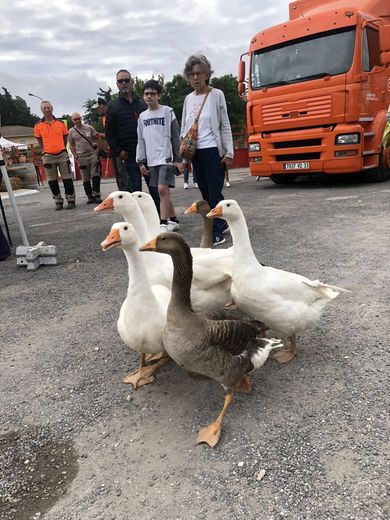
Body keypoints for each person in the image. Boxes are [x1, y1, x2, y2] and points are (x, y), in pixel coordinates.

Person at [181, 54, 233, 245]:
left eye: (200, 73)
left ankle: (216, 230)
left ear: (207, 74)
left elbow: (225, 125)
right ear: (188, 76)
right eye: (192, 74)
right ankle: (221, 221)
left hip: (213, 149)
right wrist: (184, 157)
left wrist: (228, 152)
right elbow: (185, 128)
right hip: (196, 152)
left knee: (214, 192)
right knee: (204, 191)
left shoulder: (216, 94)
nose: (196, 78)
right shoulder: (188, 99)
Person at [105, 69, 160, 211]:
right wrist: (118, 151)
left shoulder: (142, 102)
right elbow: (109, 133)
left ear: (132, 81)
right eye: (120, 81)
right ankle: (138, 220)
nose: (124, 83)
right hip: (128, 154)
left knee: (154, 187)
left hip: (148, 153)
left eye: (126, 80)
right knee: (134, 189)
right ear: (117, 84)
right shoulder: (113, 105)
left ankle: (160, 217)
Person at [136, 80, 182, 232]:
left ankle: (163, 222)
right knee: (162, 191)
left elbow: (176, 136)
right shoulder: (142, 117)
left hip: (166, 158)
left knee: (162, 189)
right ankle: (174, 220)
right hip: (151, 159)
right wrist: (141, 161)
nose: (149, 96)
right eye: (146, 94)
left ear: (159, 96)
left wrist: (178, 159)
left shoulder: (167, 112)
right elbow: (140, 140)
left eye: (153, 93)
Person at [34, 101, 76, 210]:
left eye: (48, 107)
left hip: (62, 154)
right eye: (44, 108)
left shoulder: (61, 123)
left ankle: (71, 200)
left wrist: (61, 147)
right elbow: (39, 139)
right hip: (48, 156)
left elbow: (65, 137)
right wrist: (45, 149)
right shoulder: (38, 125)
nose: (47, 110)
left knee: (67, 179)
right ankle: (58, 201)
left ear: (52, 109)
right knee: (52, 181)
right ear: (41, 110)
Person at [68, 113, 102, 204]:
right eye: (75, 119)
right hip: (81, 157)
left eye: (79, 118)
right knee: (85, 177)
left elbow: (98, 137)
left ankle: (97, 195)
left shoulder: (89, 128)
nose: (77, 120)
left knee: (95, 175)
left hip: (92, 155)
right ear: (72, 121)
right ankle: (89, 196)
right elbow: (71, 145)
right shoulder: (71, 131)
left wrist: (98, 150)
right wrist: (75, 155)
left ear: (81, 118)